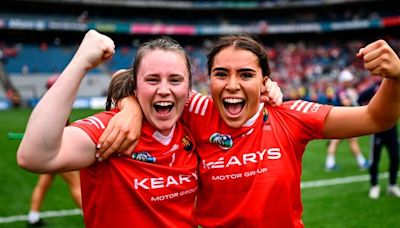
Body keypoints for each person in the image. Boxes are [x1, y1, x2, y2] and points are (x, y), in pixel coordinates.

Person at [101, 35, 400, 227]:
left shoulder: (291, 116)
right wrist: (129, 106)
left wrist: (396, 76)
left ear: (265, 80)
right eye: (221, 74)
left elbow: (376, 118)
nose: (232, 85)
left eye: (246, 74)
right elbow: (125, 75)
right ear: (209, 80)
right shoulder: (198, 109)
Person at [17, 30, 201, 227]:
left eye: (175, 80)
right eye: (152, 80)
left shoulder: (194, 123)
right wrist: (80, 63)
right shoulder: (112, 128)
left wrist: (130, 105)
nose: (164, 90)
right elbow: (35, 156)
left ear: (189, 87)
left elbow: (119, 75)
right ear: (136, 86)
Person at [27, 75, 82, 228]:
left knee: (43, 184)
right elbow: (63, 129)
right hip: (59, 149)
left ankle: (33, 217)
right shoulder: (60, 103)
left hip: (47, 150)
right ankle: (88, 215)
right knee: (76, 184)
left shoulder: (45, 102)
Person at [358, 77, 400, 199]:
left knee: (395, 158)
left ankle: (392, 185)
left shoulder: (395, 87)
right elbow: (360, 99)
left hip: (392, 131)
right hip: (377, 131)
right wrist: (369, 114)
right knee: (375, 160)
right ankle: (374, 186)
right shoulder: (374, 89)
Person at [325, 68, 369, 171]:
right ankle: (361, 162)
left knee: (340, 141)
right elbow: (346, 103)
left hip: (341, 119)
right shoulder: (342, 91)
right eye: (348, 81)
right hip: (342, 119)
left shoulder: (343, 90)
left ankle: (330, 164)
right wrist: (353, 98)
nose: (350, 82)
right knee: (346, 141)